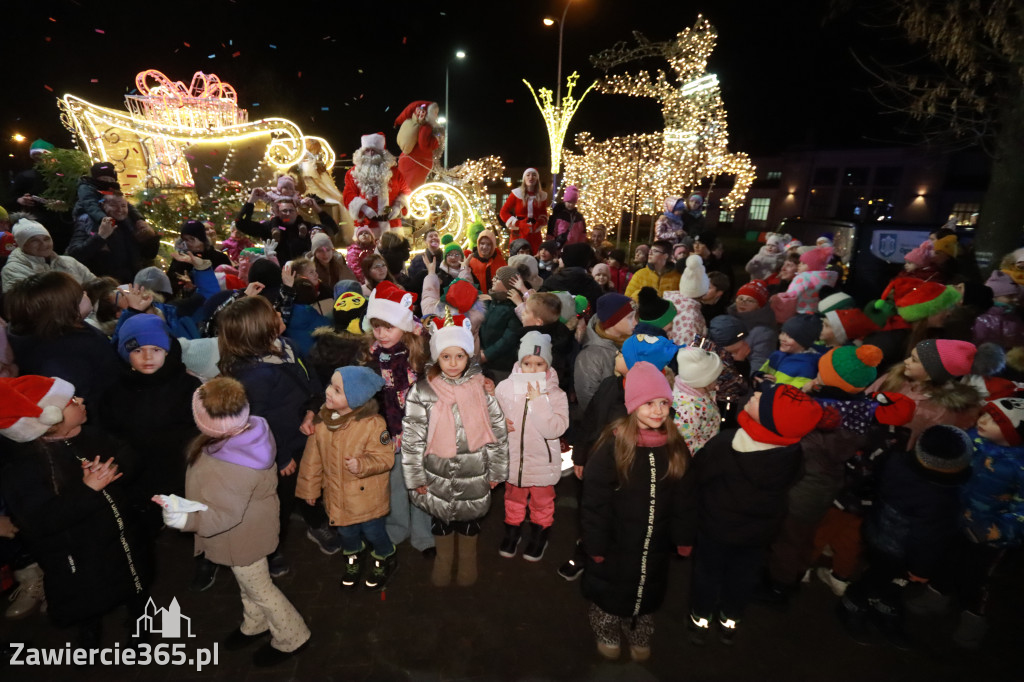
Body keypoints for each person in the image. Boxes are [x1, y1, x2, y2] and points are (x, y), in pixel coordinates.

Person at [158, 377, 310, 667]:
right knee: (249, 584)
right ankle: (255, 624)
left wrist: (184, 519)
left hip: (242, 536)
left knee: (261, 590)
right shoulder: (251, 429)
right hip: (251, 528)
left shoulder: (232, 466)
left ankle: (293, 637)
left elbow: (222, 516)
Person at [0, 375, 151, 648]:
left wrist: (115, 469)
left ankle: (139, 619)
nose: (81, 400)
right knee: (87, 592)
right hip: (77, 553)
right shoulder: (24, 469)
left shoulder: (93, 435)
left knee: (133, 579)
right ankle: (89, 628)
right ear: (49, 419)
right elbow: (40, 521)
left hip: (122, 536)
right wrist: (87, 490)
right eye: (71, 401)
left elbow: (129, 455)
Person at [688, 384, 824, 645]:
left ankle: (700, 619)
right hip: (760, 532)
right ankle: (730, 621)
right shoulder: (792, 453)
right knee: (743, 576)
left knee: (707, 573)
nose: (756, 394)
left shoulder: (727, 444)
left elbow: (699, 473)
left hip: (717, 527)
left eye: (763, 398)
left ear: (770, 417)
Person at [581, 362, 696, 661]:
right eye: (648, 403)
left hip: (656, 542)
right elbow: (595, 502)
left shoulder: (675, 445)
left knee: (649, 587)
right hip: (617, 541)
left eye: (663, 403)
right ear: (632, 405)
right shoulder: (614, 445)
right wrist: (595, 544)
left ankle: (639, 624)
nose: (658, 410)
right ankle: (606, 624)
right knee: (612, 587)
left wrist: (683, 535)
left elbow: (685, 496)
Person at [216, 295, 329, 576]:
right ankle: (271, 548)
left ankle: (316, 522)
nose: (280, 313)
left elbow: (310, 378)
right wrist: (279, 457)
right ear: (259, 331)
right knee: (279, 501)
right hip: (279, 450)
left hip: (304, 435)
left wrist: (313, 408)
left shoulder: (289, 346)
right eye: (272, 314)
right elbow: (255, 423)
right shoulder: (253, 376)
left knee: (312, 482)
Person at [837, 425, 972, 649]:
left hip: (877, 531)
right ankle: (853, 605)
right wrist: (921, 569)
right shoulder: (939, 497)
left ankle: (884, 607)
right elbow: (925, 538)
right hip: (901, 551)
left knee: (883, 578)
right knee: (882, 579)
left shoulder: (896, 461)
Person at [402, 313, 509, 586]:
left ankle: (468, 563)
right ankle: (444, 561)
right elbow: (413, 438)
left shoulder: (481, 389)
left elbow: (497, 433)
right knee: (441, 521)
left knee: (470, 522)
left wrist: (497, 470)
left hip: (475, 472)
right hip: (436, 472)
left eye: (459, 356)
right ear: (436, 356)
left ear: (468, 356)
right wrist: (415, 478)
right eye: (446, 356)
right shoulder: (423, 391)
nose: (452, 363)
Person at [297, 366, 399, 590]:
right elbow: (312, 460)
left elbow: (385, 458)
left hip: (367, 498)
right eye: (330, 386)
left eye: (337, 390)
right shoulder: (323, 420)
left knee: (374, 531)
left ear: (355, 398)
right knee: (346, 532)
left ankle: (385, 555)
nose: (328, 392)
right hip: (337, 496)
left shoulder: (373, 425)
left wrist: (362, 464)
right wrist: (309, 490)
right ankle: (353, 557)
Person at [362, 281, 435, 557]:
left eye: (388, 327)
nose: (380, 333)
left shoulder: (419, 353)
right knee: (393, 483)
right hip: (388, 431)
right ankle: (396, 527)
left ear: (403, 326)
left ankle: (423, 534)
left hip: (418, 432)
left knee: (419, 483)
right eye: (376, 326)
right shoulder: (371, 356)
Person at [494, 332, 570, 561]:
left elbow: (555, 429)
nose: (533, 369)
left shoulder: (556, 394)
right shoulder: (505, 388)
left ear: (548, 365)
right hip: (514, 459)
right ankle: (512, 532)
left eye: (539, 364)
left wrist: (539, 401)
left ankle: (540, 535)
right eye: (527, 363)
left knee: (542, 501)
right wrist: (499, 424)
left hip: (542, 462)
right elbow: (493, 416)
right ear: (519, 362)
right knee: (513, 498)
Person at [4, 271, 120, 408]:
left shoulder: (61, 326)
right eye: (80, 295)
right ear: (66, 309)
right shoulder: (63, 358)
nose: (86, 294)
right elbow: (74, 406)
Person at [66, 193, 156, 283]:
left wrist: (151, 236)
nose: (120, 210)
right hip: (106, 285)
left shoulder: (132, 223)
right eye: (113, 205)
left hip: (133, 283)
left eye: (123, 206)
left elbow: (150, 254)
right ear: (102, 205)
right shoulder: (88, 221)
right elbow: (74, 254)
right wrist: (100, 237)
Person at [575, 293, 637, 412]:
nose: (635, 322)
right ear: (612, 321)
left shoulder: (632, 343)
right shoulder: (590, 357)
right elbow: (588, 402)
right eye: (630, 318)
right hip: (608, 424)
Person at [236, 192, 338, 264]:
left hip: (304, 272)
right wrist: (252, 200)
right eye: (284, 211)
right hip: (278, 273)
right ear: (278, 212)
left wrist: (316, 208)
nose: (288, 214)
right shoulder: (268, 228)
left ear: (297, 212)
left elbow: (333, 229)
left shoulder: (308, 227)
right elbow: (241, 224)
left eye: (291, 210)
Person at [343, 133, 411, 238]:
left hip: (392, 225)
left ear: (382, 153)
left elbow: (405, 191)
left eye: (374, 150)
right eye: (367, 150)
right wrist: (364, 208)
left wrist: (398, 207)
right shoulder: (353, 173)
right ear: (362, 152)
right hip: (366, 226)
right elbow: (348, 195)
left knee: (392, 251)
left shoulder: (394, 172)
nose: (370, 154)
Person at [2, 218, 95, 291]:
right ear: (22, 245)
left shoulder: (70, 262)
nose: (43, 244)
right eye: (34, 241)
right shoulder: (13, 270)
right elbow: (28, 306)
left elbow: (96, 286)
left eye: (46, 239)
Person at [672, 346, 724, 454]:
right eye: (715, 378)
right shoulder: (687, 412)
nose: (717, 382)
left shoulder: (699, 391)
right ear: (705, 381)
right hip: (702, 458)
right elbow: (688, 448)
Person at [167, 219, 232, 297]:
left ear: (202, 239)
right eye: (185, 239)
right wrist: (184, 285)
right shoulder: (180, 259)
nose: (187, 243)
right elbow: (171, 284)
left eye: (191, 239)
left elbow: (229, 283)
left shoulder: (219, 257)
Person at [394, 101, 442, 190]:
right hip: (415, 166)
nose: (436, 116)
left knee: (405, 189)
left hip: (411, 163)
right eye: (435, 113)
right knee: (411, 191)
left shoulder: (422, 126)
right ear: (430, 114)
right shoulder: (426, 127)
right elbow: (424, 145)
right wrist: (436, 141)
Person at [500, 168, 550, 254]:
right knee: (518, 257)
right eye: (528, 175)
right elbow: (503, 212)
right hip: (519, 232)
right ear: (524, 178)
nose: (531, 177)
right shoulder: (516, 194)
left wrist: (539, 222)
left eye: (534, 175)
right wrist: (517, 223)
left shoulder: (542, 196)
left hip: (535, 233)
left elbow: (544, 214)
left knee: (534, 258)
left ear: (537, 179)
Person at [461, 228, 507, 293]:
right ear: (478, 244)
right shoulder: (471, 261)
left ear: (493, 245)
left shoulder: (500, 260)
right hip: (478, 299)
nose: (485, 247)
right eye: (482, 243)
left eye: (488, 244)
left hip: (497, 298)